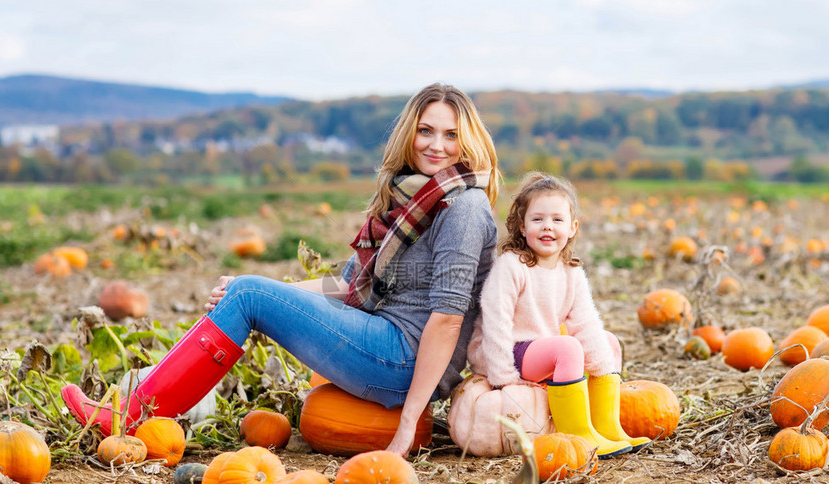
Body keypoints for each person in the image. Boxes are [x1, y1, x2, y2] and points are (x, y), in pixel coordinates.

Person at [62, 83, 500, 458]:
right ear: (409, 133)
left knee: (252, 294)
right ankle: (142, 410)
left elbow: (446, 320)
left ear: (467, 143)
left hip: (403, 360)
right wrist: (261, 294)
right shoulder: (412, 199)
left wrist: (407, 425)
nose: (436, 145)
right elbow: (347, 283)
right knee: (249, 292)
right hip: (383, 342)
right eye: (425, 130)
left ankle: (132, 415)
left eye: (449, 135)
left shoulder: (462, 206)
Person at [466, 172, 649, 458]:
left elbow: (585, 323)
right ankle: (577, 434)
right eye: (537, 219)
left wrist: (601, 366)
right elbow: (495, 321)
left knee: (607, 341)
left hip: (540, 349)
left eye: (557, 220)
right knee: (567, 347)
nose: (547, 227)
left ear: (573, 227)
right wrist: (503, 377)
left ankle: (607, 427)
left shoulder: (571, 272)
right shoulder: (511, 266)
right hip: (506, 351)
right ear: (523, 228)